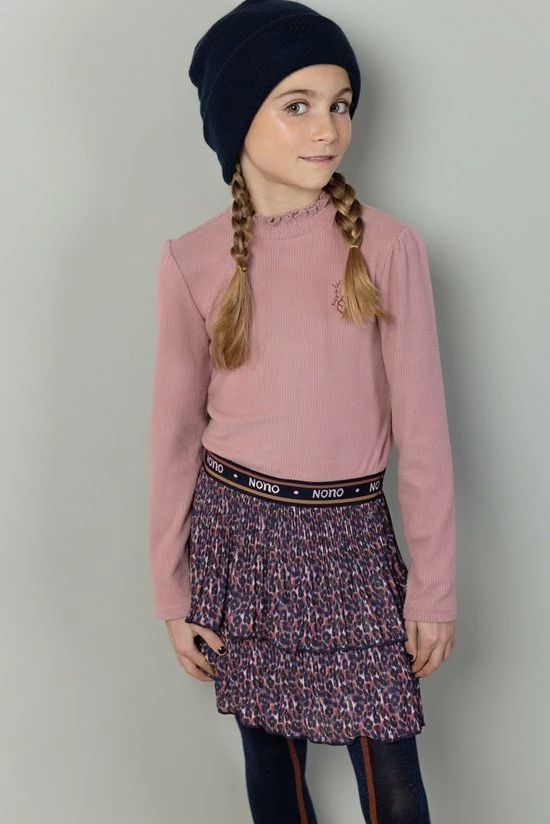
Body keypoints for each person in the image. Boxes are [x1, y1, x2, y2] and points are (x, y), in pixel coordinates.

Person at [148, 1, 457, 821]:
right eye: (298, 105)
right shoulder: (191, 261)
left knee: (393, 784)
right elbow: (173, 439)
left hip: (350, 546)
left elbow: (424, 437)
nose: (328, 128)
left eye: (340, 104)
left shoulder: (386, 247)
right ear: (238, 119)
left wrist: (432, 590)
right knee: (274, 777)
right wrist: (172, 591)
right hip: (239, 545)